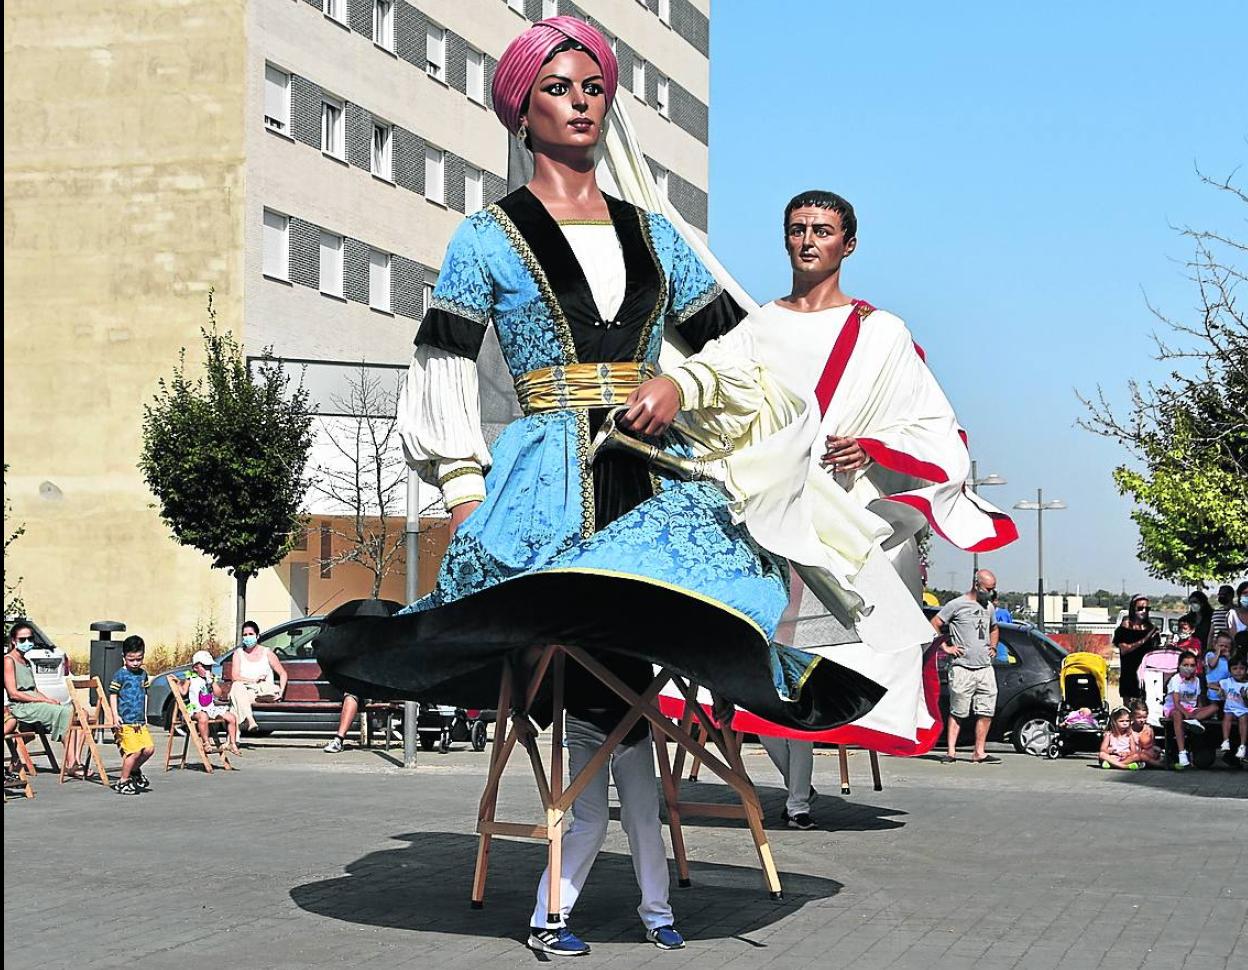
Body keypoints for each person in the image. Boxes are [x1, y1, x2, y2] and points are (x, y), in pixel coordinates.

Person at [315, 17, 890, 954]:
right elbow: (444, 368)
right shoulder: (487, 238)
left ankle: (606, 897)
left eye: (592, 87)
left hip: (647, 472)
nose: (580, 103)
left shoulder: (656, 233)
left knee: (640, 659)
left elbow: (744, 352)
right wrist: (466, 494)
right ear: (523, 109)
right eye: (558, 89)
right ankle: (598, 898)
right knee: (583, 676)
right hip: (543, 475)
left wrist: (681, 381)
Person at [749, 188, 1016, 813]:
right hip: (761, 511)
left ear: (849, 243)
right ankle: (792, 787)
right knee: (757, 664)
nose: (808, 240)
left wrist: (872, 447)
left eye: (821, 229)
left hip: (835, 523)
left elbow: (932, 427)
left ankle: (795, 796)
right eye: (797, 228)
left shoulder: (883, 334)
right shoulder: (758, 324)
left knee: (811, 657)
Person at [932, 570, 1001, 764]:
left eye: (993, 589)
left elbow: (994, 628)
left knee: (986, 710)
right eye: (988, 589)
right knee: (958, 710)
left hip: (984, 668)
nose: (991, 593)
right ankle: (951, 751)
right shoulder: (956, 605)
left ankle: (979, 751)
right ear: (976, 585)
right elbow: (935, 623)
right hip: (962, 667)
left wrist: (994, 646)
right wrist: (946, 647)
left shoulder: (989, 607)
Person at [3, 618, 83, 777]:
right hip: (21, 705)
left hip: (34, 701)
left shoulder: (26, 661)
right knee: (65, 714)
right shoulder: (8, 660)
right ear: (14, 640)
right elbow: (14, 693)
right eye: (22, 639)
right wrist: (44, 700)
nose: (27, 642)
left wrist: (48, 699)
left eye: (30, 639)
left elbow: (35, 689)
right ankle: (71, 763)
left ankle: (75, 761)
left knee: (80, 714)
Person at [107, 635, 155, 794]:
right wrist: (115, 716)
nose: (135, 663)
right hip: (125, 721)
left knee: (148, 749)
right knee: (133, 752)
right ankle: (123, 780)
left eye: (139, 659)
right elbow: (113, 694)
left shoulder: (143, 674)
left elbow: (145, 694)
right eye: (131, 659)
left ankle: (134, 771)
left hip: (139, 721)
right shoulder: (120, 675)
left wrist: (145, 714)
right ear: (124, 657)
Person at [175, 650, 239, 755]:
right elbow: (183, 692)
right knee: (203, 717)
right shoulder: (191, 677)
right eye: (205, 667)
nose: (208, 670)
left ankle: (232, 743)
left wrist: (212, 682)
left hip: (210, 707)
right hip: (196, 708)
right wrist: (178, 685)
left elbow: (218, 694)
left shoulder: (211, 678)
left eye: (209, 667)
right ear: (196, 667)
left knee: (232, 717)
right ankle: (206, 742)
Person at [1164, 651, 1218, 770]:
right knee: (1178, 715)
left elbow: (1198, 701)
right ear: (1179, 665)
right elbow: (1176, 703)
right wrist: (1186, 714)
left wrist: (1198, 711)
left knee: (1214, 707)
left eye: (1192, 665)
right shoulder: (1175, 680)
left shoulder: (1197, 680)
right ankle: (1182, 752)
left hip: (1191, 710)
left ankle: (1192, 721)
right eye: (1186, 665)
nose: (1189, 668)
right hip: (1174, 709)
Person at [228, 621, 287, 731]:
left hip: (263, 693)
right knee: (237, 687)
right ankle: (250, 720)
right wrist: (253, 680)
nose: (247, 637)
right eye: (245, 635)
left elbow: (283, 673)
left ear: (257, 636)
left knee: (235, 697)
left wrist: (281, 691)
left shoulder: (267, 652)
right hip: (247, 691)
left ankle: (232, 740)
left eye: (250, 634)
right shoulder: (238, 653)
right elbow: (235, 677)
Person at [1112, 595, 1160, 702]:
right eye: (1140, 608)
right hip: (1129, 672)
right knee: (1129, 706)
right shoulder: (1124, 627)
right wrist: (1146, 638)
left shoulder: (1151, 628)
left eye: (1147, 609)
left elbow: (1155, 651)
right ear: (1133, 609)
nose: (1143, 611)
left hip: (1146, 673)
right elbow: (1124, 649)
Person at [1218, 654, 1247, 762]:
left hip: (1242, 709)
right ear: (1230, 670)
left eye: (1242, 668)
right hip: (1230, 709)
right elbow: (1210, 684)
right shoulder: (1227, 681)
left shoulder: (1247, 684)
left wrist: (1244, 697)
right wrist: (1220, 689)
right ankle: (1226, 741)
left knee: (1243, 719)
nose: (1238, 671)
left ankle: (1242, 746)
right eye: (1235, 668)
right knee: (1227, 717)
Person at [1127, 700, 1164, 768]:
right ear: (1132, 717)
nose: (1142, 720)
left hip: (1146, 753)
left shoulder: (1148, 729)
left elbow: (1152, 745)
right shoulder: (1129, 729)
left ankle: (1143, 763)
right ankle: (1157, 764)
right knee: (1136, 755)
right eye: (1139, 717)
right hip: (1132, 753)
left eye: (1144, 717)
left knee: (1154, 751)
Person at [1203, 632, 1233, 706]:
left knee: (1225, 705)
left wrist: (1229, 657)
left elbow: (1233, 668)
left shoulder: (1228, 659)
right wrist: (1217, 654)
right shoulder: (1210, 655)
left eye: (1226, 646)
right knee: (1214, 704)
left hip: (1225, 686)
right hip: (1213, 686)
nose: (1223, 648)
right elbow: (1212, 664)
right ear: (1215, 645)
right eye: (1221, 645)